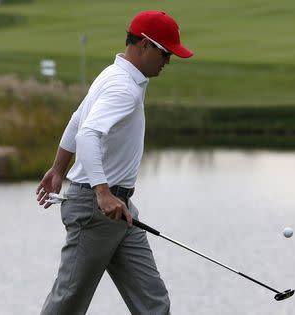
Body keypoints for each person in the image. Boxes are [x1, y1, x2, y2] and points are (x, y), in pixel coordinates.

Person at [35, 10, 193, 315]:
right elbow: (87, 136)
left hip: (120, 211)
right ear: (144, 45)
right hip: (97, 211)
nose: (167, 62)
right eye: (165, 53)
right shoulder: (122, 87)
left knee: (154, 304)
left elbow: (76, 121)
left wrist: (58, 169)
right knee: (67, 303)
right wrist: (102, 192)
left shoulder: (115, 75)